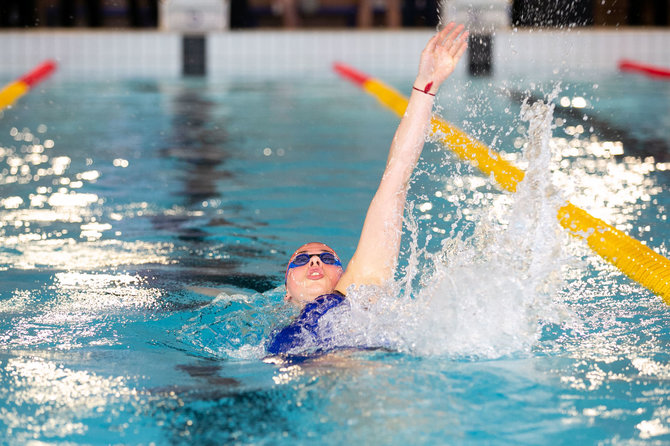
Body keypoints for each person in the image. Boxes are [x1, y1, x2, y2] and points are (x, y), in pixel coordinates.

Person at [267, 23, 469, 356]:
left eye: (326, 258)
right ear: (285, 291)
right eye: (301, 259)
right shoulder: (268, 330)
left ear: (343, 273)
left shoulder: (355, 292)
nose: (314, 259)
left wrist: (425, 86)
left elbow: (396, 178)